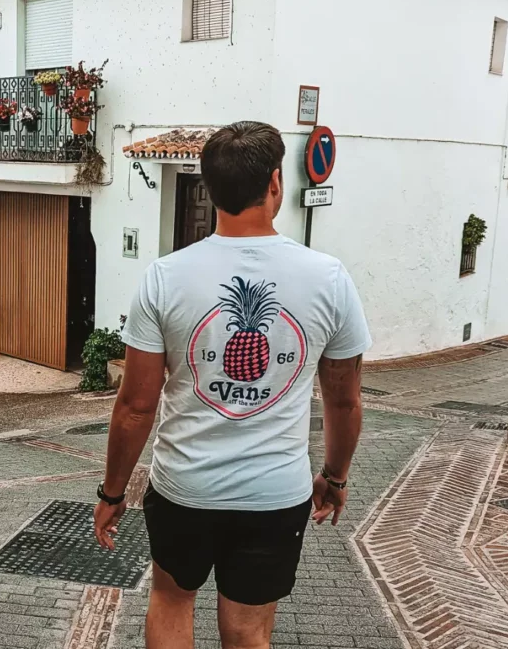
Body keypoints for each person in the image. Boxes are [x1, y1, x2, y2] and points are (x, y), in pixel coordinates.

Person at [93, 121, 370, 649]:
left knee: (171, 600)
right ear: (274, 183)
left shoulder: (165, 277)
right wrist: (334, 478)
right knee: (247, 631)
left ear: (208, 187)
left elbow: (135, 406)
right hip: (274, 494)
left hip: (184, 488)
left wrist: (111, 492)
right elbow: (344, 398)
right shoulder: (328, 277)